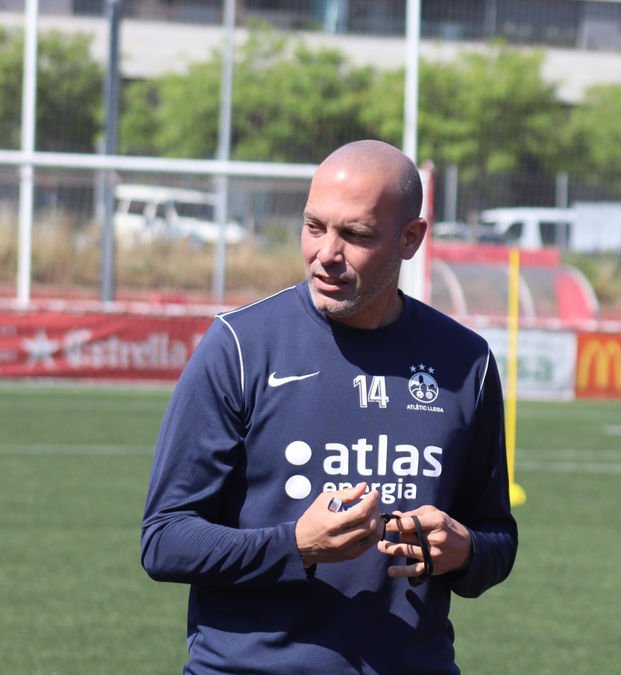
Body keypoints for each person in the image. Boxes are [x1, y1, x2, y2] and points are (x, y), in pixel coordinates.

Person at [141, 139, 517, 674]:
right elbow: (165, 539)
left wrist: (465, 553)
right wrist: (296, 546)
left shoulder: (465, 363)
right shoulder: (241, 347)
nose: (326, 254)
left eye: (355, 235)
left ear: (411, 239)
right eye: (314, 227)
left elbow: (496, 538)